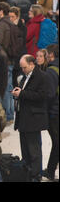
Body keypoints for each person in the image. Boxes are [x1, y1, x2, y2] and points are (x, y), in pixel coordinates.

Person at [12, 54, 49, 182]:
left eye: (25, 67)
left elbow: (42, 96)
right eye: (22, 68)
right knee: (25, 150)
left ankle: (35, 175)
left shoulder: (42, 77)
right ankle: (27, 173)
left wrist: (22, 93)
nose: (23, 70)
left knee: (34, 151)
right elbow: (25, 92)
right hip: (23, 118)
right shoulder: (25, 76)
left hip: (33, 119)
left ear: (32, 64)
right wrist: (18, 92)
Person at [43, 44, 59, 181]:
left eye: (47, 54)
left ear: (51, 54)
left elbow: (50, 94)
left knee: (57, 142)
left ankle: (50, 170)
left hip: (54, 112)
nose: (46, 56)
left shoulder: (51, 71)